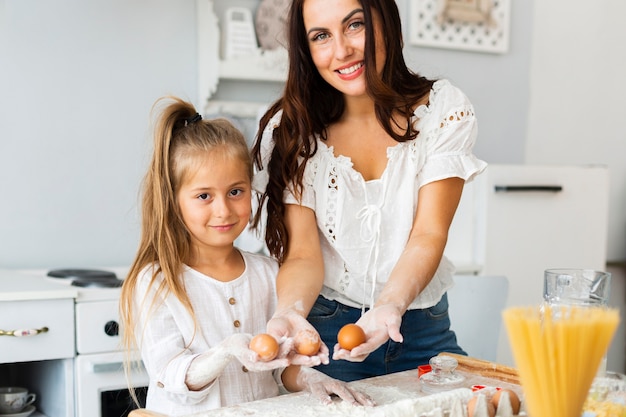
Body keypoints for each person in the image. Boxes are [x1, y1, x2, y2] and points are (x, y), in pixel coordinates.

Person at [251, 0, 488, 382]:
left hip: (423, 330)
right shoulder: (293, 131)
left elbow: (429, 233)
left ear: (385, 21)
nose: (342, 50)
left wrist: (390, 304)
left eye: (355, 25)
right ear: (306, 50)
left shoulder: (442, 110)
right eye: (321, 36)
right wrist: (287, 313)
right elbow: (303, 255)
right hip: (328, 336)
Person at [119, 96, 373, 416]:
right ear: (172, 201)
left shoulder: (268, 273)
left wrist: (311, 378)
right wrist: (226, 351)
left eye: (235, 191)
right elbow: (170, 377)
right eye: (204, 196)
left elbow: (280, 366)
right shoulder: (158, 281)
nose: (223, 210)